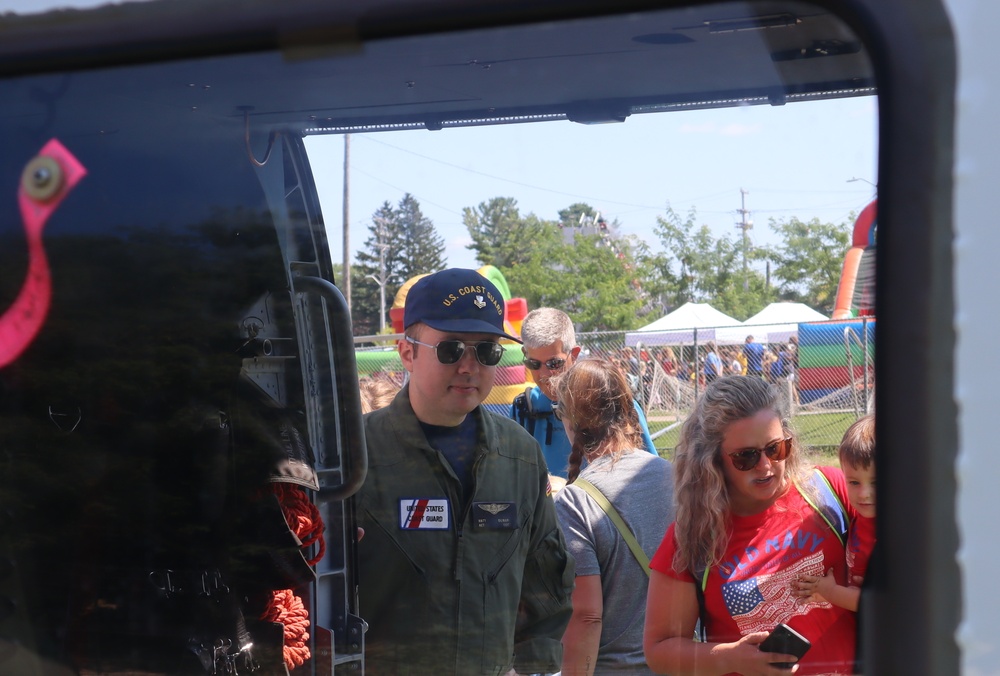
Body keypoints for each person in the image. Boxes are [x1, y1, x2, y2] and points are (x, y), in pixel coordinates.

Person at [356, 268, 575, 675]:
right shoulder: (358, 456)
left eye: (487, 351)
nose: (469, 366)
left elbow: (545, 581)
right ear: (408, 353)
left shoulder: (519, 456)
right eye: (451, 349)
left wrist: (534, 668)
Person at [643, 376, 858, 675]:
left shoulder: (827, 490)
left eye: (775, 448)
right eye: (746, 457)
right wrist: (730, 657)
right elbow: (659, 649)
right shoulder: (694, 537)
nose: (766, 465)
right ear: (712, 460)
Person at [553, 359, 675, 675]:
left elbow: (587, 617)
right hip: (684, 662)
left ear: (569, 420)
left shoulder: (574, 501)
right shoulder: (678, 479)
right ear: (626, 410)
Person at [511, 308, 657, 479]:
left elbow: (651, 474)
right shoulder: (524, 409)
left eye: (554, 363)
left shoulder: (612, 403)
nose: (544, 375)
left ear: (574, 355)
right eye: (534, 364)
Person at [795, 414, 876, 612]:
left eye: (876, 482)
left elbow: (881, 605)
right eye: (854, 482)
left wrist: (829, 591)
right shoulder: (861, 517)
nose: (864, 494)